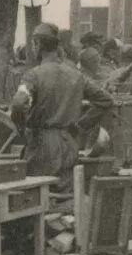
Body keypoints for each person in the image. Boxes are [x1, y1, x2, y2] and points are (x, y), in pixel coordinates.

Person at [9, 22, 114, 180]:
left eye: (33, 44)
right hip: (69, 145)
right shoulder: (76, 75)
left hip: (41, 146)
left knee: (37, 195)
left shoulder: (33, 76)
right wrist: (80, 126)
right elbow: (106, 100)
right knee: (66, 197)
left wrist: (21, 127)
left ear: (38, 45)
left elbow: (18, 104)